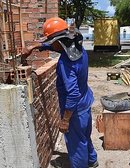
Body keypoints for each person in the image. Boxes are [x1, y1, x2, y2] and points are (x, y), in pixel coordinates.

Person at [21, 17, 98, 168]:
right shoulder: (78, 48)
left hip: (74, 110)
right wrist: (37, 46)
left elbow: (73, 94)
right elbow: (56, 45)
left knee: (76, 144)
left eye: (52, 40)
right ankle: (92, 160)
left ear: (60, 40)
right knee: (84, 137)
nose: (51, 44)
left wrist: (65, 120)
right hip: (85, 103)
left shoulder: (65, 62)